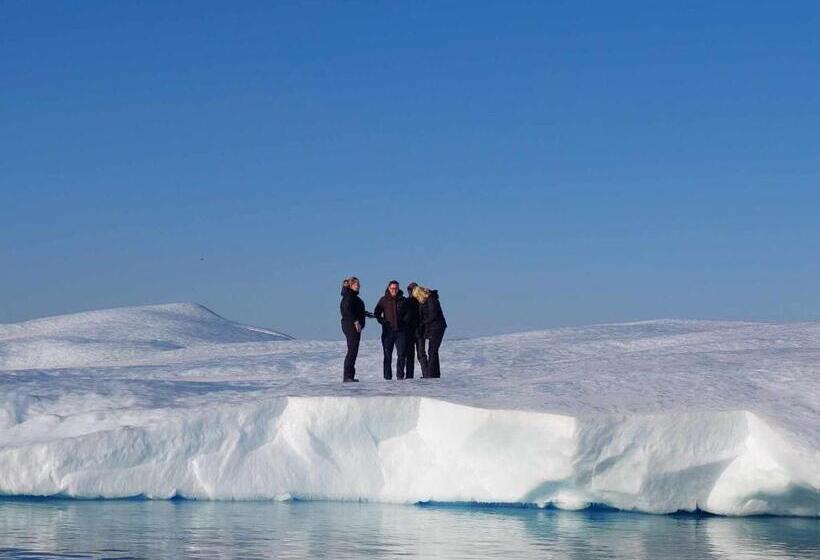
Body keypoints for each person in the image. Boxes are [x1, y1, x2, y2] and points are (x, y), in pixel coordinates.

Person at [373, 280, 410, 380]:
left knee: (401, 354)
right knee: (387, 355)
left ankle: (400, 376)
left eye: (396, 288)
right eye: (392, 288)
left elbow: (408, 313)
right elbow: (376, 312)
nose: (394, 290)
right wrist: (382, 321)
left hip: (400, 332)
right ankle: (387, 377)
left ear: (398, 289)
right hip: (387, 332)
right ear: (389, 288)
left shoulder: (403, 300)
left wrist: (404, 322)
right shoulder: (383, 300)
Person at [413, 285, 447, 378]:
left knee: (432, 350)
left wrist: (423, 322)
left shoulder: (431, 299)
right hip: (433, 327)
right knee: (433, 351)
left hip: (437, 327)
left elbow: (433, 314)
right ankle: (434, 373)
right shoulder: (425, 302)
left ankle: (432, 374)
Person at [340, 276, 367, 382]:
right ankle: (347, 376)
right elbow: (346, 311)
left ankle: (350, 375)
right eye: (357, 284)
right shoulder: (348, 296)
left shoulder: (352, 297)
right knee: (352, 350)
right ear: (351, 285)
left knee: (353, 350)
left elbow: (355, 309)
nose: (359, 286)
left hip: (354, 326)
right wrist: (356, 321)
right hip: (350, 326)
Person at [403, 282, 425, 378]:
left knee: (420, 354)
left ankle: (426, 374)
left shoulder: (421, 301)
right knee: (413, 355)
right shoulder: (409, 301)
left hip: (417, 331)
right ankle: (410, 376)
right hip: (411, 331)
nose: (411, 291)